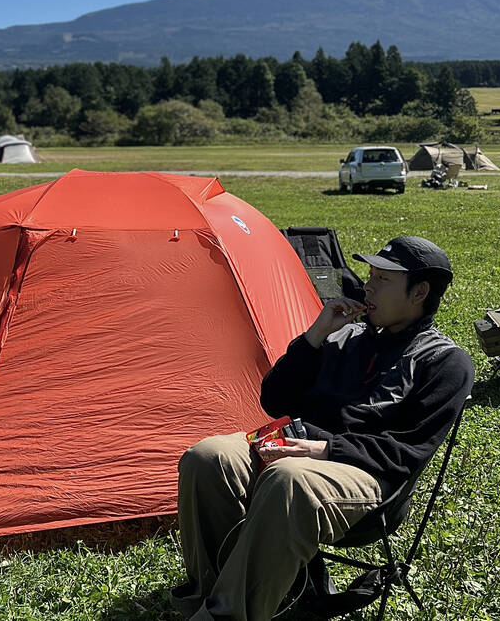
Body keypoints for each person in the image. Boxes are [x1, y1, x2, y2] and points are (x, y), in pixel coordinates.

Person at [172, 236, 474, 621]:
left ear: (419, 292)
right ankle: (213, 593)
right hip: (298, 450)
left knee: (288, 479)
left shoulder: (445, 362)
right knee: (207, 457)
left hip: (367, 481)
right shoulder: (343, 337)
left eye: (382, 279)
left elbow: (406, 454)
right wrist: (314, 337)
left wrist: (324, 448)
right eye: (370, 275)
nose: (367, 286)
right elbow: (274, 399)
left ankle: (227, 617)